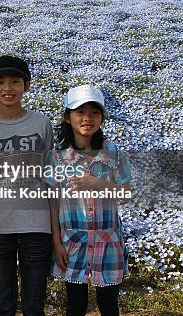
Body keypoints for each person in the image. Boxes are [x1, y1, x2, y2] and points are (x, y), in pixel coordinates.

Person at [0, 56, 53, 316]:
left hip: (37, 223)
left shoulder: (42, 124)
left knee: (34, 306)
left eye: (15, 82)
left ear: (26, 86)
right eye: (0, 82)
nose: (8, 87)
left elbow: (50, 172)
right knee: (3, 306)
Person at [46, 85, 132, 316]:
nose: (87, 118)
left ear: (102, 117)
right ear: (67, 117)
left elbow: (128, 192)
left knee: (109, 305)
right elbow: (53, 202)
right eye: (80, 112)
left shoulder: (112, 152)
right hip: (72, 241)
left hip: (108, 240)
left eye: (95, 112)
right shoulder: (57, 158)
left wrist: (98, 184)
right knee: (75, 305)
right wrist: (56, 242)